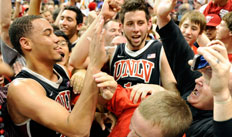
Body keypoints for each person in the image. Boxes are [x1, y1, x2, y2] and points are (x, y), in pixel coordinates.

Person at [7, 14, 107, 137]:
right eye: (48, 34)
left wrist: (94, 114)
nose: (56, 39)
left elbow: (74, 109)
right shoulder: (21, 88)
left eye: (54, 33)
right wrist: (94, 66)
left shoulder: (60, 70)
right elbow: (78, 131)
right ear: (26, 43)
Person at [154, 0, 230, 136]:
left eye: (208, 79)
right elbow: (179, 51)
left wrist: (222, 98)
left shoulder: (209, 127)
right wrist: (163, 17)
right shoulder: (194, 90)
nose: (198, 81)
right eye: (203, 74)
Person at [70, 0, 178, 93]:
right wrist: (102, 16)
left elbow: (174, 94)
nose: (136, 29)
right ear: (121, 27)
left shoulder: (159, 49)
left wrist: (159, 90)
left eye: (140, 23)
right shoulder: (113, 52)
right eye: (130, 24)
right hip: (119, 114)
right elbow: (75, 61)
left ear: (149, 24)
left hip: (148, 114)